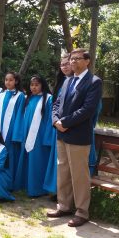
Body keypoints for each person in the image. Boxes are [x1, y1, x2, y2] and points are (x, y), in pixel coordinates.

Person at [48, 48, 102, 227]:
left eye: (77, 59)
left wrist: (65, 122)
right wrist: (56, 120)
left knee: (79, 175)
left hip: (78, 136)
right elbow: (56, 104)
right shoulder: (67, 81)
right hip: (61, 134)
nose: (73, 62)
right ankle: (64, 206)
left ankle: (82, 212)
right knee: (62, 172)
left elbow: (87, 110)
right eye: (71, 59)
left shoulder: (94, 82)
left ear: (87, 61)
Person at [13, 75, 54, 197]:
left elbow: (49, 120)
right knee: (26, 158)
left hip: (39, 135)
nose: (34, 87)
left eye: (37, 84)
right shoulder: (28, 98)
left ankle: (37, 188)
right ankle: (25, 185)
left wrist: (47, 138)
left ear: (42, 85)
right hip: (26, 133)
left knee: (37, 160)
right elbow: (22, 117)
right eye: (32, 85)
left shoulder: (48, 99)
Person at [0, 72, 25, 191]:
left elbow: (19, 116)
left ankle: (9, 183)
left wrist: (16, 134)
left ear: (16, 81)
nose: (8, 82)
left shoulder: (20, 96)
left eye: (11, 80)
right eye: (6, 80)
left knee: (10, 157)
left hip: (10, 133)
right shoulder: (1, 95)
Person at [44, 54, 73, 194]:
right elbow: (54, 106)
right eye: (62, 65)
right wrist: (56, 122)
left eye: (67, 63)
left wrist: (67, 122)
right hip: (58, 128)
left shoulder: (81, 82)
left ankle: (65, 194)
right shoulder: (61, 84)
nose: (64, 67)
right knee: (59, 162)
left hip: (73, 128)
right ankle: (55, 191)